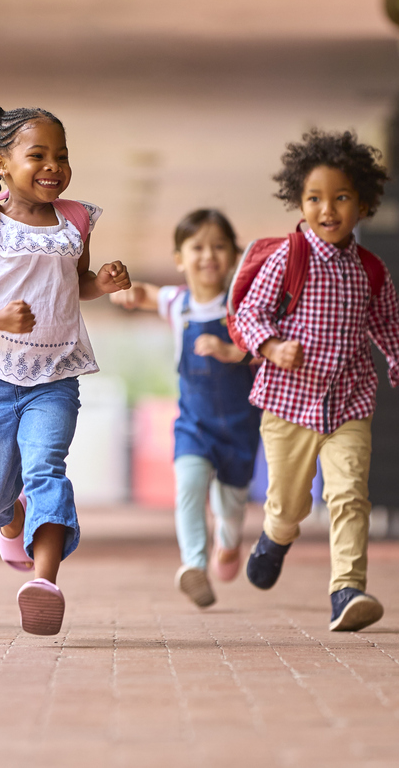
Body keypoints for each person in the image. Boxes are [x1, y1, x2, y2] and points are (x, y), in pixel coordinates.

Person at [0, 105, 130, 636]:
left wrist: (103, 285)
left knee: (47, 469)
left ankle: (45, 583)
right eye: (37, 155)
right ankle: (9, 520)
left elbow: (77, 283)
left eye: (61, 156)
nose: (53, 166)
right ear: (1, 163)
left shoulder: (77, 221)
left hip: (55, 376)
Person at [233, 129, 399, 632]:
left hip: (349, 401)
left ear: (363, 204)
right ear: (299, 203)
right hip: (288, 404)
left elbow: (389, 324)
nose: (328, 209)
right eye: (315, 198)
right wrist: (274, 346)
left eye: (341, 197)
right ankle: (275, 536)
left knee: (348, 495)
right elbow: (252, 312)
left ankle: (347, 589)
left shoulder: (370, 268)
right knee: (290, 503)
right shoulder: (289, 257)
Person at [110, 209, 262, 608]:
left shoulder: (242, 307)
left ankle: (228, 544)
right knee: (190, 487)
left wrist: (232, 351)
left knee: (230, 509)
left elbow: (264, 350)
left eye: (218, 247)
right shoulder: (178, 302)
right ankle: (193, 565)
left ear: (232, 256)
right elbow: (146, 294)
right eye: (197, 247)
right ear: (180, 258)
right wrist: (126, 292)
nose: (208, 255)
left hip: (240, 427)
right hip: (194, 424)